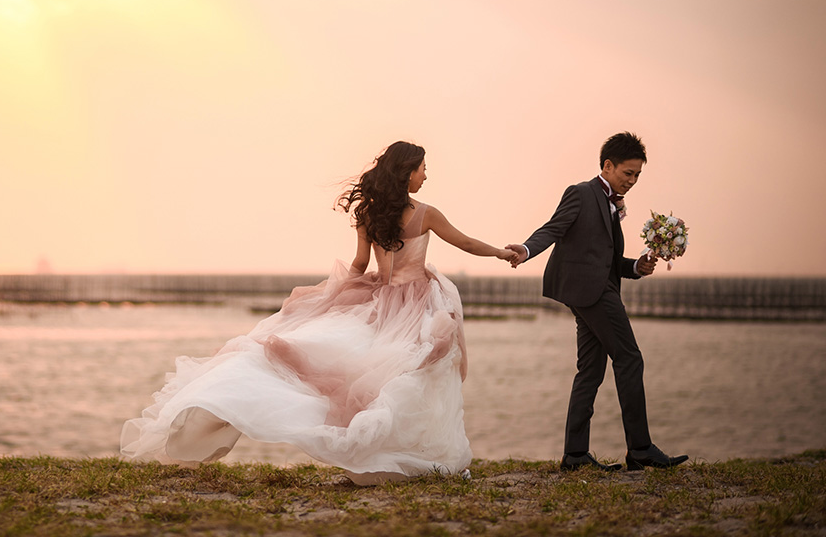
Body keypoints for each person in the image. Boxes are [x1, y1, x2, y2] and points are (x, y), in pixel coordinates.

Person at [121, 140, 517, 484]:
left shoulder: (369, 214)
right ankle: (422, 455)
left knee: (383, 375)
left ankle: (401, 456)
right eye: (423, 168)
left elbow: (361, 264)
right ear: (407, 172)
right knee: (417, 374)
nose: (426, 176)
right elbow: (464, 243)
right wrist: (501, 252)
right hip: (416, 303)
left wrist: (336, 297)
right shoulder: (426, 213)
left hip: (380, 300)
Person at [505, 132, 688, 472]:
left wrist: (635, 266)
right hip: (591, 293)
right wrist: (526, 250)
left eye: (637, 176)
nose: (632, 181)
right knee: (629, 358)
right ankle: (640, 448)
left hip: (598, 289)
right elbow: (554, 228)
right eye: (627, 173)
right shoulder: (582, 193)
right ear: (607, 165)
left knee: (590, 370)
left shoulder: (612, 204)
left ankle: (575, 455)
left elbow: (605, 259)